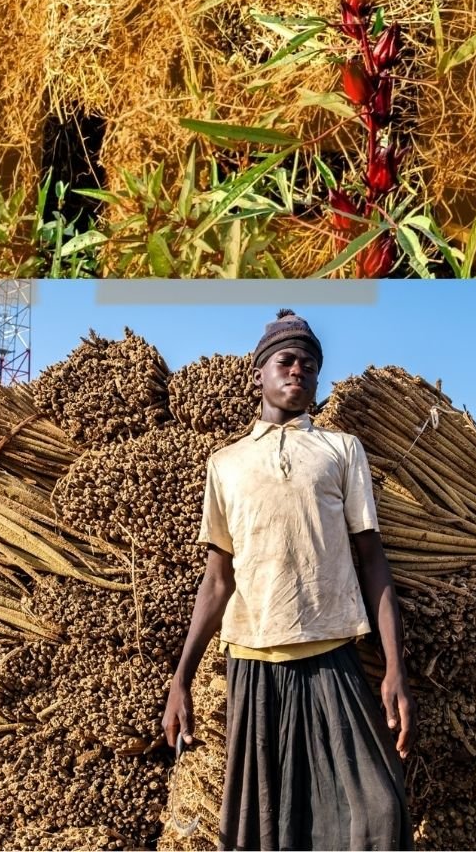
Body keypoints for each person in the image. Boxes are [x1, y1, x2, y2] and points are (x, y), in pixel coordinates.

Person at [160, 309, 411, 851]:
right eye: (287, 360)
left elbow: (372, 560)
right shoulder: (225, 464)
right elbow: (217, 580)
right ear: (260, 373)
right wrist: (180, 679)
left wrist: (395, 669)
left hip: (332, 654)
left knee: (380, 810)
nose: (299, 371)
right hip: (254, 663)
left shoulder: (341, 451)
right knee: (265, 829)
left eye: (310, 365)